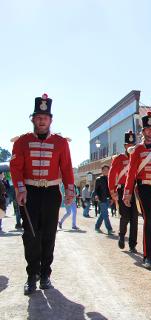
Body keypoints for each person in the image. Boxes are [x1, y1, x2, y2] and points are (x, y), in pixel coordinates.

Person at [10, 93, 75, 295]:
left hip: (51, 193)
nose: (41, 121)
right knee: (30, 235)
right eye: (38, 117)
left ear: (50, 120)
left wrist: (70, 190)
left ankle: (45, 274)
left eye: (45, 118)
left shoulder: (61, 142)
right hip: (29, 193)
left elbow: (67, 167)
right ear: (33, 119)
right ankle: (31, 275)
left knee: (48, 234)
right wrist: (20, 189)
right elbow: (16, 168)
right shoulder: (21, 142)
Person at [123, 112, 151, 270]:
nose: (150, 131)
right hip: (143, 187)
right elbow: (131, 172)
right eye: (147, 129)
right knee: (149, 219)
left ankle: (148, 251)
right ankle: (147, 256)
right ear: (143, 132)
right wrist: (127, 192)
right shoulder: (137, 150)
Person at [109, 130, 139, 253]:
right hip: (122, 190)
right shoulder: (119, 158)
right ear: (125, 146)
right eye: (128, 145)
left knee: (135, 219)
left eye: (132, 145)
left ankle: (132, 244)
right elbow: (111, 175)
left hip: (135, 190)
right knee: (125, 216)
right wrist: (112, 190)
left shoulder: (138, 156)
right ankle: (122, 235)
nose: (130, 147)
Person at [94, 165, 114, 235]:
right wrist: (96, 196)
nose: (106, 171)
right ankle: (109, 229)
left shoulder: (110, 179)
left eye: (107, 170)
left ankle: (97, 226)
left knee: (103, 214)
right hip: (101, 199)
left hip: (108, 199)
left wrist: (112, 199)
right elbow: (95, 190)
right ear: (102, 171)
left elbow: (111, 190)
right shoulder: (98, 179)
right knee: (106, 214)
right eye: (104, 170)